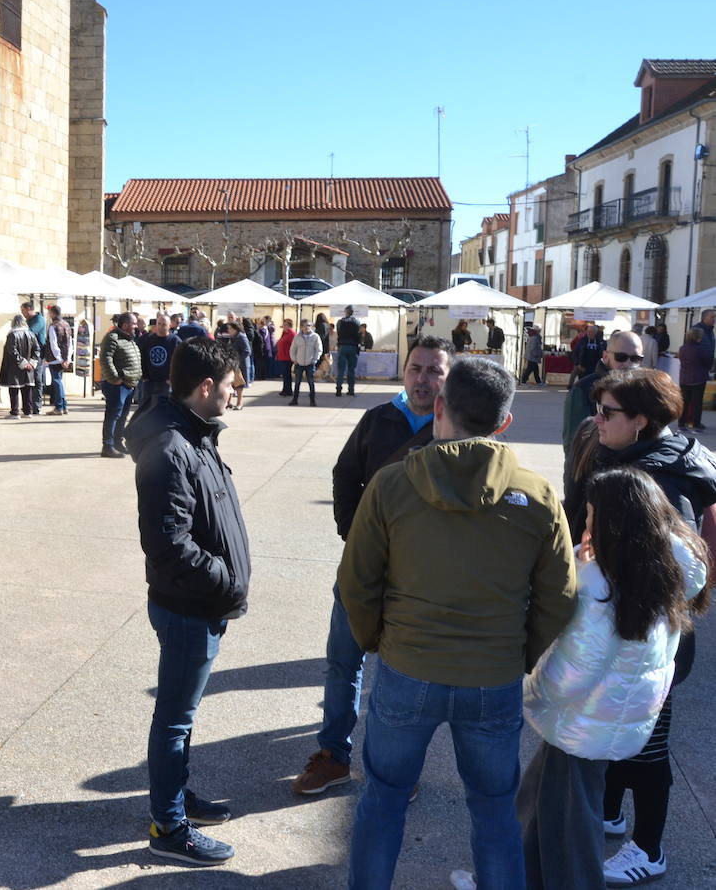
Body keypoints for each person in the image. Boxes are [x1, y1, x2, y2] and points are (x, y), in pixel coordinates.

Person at [339, 357, 576, 889]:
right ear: (505, 422)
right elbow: (560, 597)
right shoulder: (538, 497)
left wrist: (379, 642)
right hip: (492, 678)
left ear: (439, 407)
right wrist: (518, 652)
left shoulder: (391, 485)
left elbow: (356, 582)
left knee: (383, 801)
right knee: (494, 812)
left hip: (407, 669)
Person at [517, 466, 708, 890]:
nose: (585, 524)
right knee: (539, 797)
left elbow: (569, 673)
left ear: (612, 524)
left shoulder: (598, 588)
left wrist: (527, 692)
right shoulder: (668, 568)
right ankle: (513, 874)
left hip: (583, 719)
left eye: (590, 516)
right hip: (616, 716)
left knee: (573, 822)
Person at [565, 369, 716, 886]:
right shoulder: (632, 456)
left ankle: (649, 849)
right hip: (628, 634)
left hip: (644, 642)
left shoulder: (656, 481)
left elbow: (677, 569)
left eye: (608, 413)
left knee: (646, 744)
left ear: (641, 421)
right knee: (616, 734)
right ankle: (608, 811)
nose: (597, 420)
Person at [292, 336, 453, 796]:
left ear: (448, 378)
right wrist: (352, 531)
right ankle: (332, 756)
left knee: (404, 673)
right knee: (343, 664)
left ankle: (396, 765)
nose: (422, 379)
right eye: (416, 368)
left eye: (433, 371)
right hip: (360, 568)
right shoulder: (376, 420)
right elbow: (345, 476)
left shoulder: (455, 430)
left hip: (419, 578)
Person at [126, 338, 249, 866]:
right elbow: (168, 542)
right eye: (229, 387)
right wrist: (225, 580)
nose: (233, 395)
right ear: (204, 388)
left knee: (183, 712)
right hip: (189, 608)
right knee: (174, 718)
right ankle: (168, 826)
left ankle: (176, 796)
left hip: (198, 603)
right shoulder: (172, 447)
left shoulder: (192, 435)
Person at [563, 331, 643, 465]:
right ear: (606, 357)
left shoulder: (643, 389)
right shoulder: (582, 389)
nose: (629, 364)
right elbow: (573, 446)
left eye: (636, 359)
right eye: (621, 357)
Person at [99, 312, 142, 458]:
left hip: (129, 383)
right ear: (125, 325)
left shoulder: (129, 338)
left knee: (122, 415)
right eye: (134, 323)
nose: (136, 326)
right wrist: (114, 378)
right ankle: (108, 445)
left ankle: (117, 442)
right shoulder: (113, 337)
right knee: (113, 415)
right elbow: (105, 359)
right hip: (117, 385)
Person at [137, 311, 179, 414]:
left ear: (169, 326)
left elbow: (180, 362)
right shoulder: (147, 339)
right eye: (159, 324)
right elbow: (141, 358)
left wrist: (172, 378)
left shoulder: (175, 341)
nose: (161, 327)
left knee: (164, 413)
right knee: (144, 411)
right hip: (149, 382)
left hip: (165, 383)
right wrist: (144, 376)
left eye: (164, 324)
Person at [0, 314, 40, 419]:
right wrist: (31, 363)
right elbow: (37, 349)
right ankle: (28, 411)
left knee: (14, 390)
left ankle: (15, 412)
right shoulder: (31, 334)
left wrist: (22, 362)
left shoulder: (12, 334)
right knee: (27, 389)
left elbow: (12, 351)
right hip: (28, 367)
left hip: (14, 367)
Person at [45, 305, 73, 415]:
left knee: (57, 382)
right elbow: (70, 343)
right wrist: (68, 358)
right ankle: (64, 406)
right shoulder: (66, 325)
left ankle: (59, 407)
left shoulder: (53, 326)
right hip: (64, 358)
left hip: (56, 359)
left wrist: (60, 359)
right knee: (59, 382)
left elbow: (53, 344)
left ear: (52, 313)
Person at [21, 301, 48, 414]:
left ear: (28, 309)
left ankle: (36, 406)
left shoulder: (39, 320)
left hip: (38, 354)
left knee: (37, 379)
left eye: (23, 310)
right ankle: (29, 405)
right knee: (28, 379)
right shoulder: (28, 320)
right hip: (29, 353)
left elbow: (30, 332)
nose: (22, 313)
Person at [678, 328, 707, 432]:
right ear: (698, 337)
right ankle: (696, 424)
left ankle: (681, 423)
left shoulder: (682, 348)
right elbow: (707, 362)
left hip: (684, 378)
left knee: (685, 402)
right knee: (697, 403)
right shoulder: (701, 349)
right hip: (698, 378)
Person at [288, 318, 322, 407]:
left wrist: (315, 359)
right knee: (297, 382)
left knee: (311, 382)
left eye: (309, 325)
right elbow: (293, 349)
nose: (307, 327)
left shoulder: (315, 337)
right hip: (299, 363)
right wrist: (294, 359)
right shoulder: (297, 337)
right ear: (301, 327)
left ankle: (312, 400)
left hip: (310, 363)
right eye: (305, 326)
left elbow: (319, 349)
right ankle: (295, 399)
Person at [217, 322, 250, 410]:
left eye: (230, 328)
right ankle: (228, 402)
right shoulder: (232, 337)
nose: (228, 330)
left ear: (235, 329)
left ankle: (239, 403)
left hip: (240, 365)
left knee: (239, 385)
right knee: (230, 383)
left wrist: (237, 360)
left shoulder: (241, 337)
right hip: (232, 363)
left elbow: (247, 351)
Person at [335, 306, 361, 398]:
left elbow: (338, 333)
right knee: (351, 370)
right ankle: (351, 389)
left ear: (346, 312)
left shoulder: (340, 322)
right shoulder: (357, 322)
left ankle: (338, 388)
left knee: (341, 369)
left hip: (342, 346)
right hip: (353, 346)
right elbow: (359, 334)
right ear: (353, 312)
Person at [275, 318, 295, 394]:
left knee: (287, 374)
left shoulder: (291, 334)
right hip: (283, 356)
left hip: (287, 357)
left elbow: (294, 346)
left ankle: (288, 390)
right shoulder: (285, 333)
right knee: (285, 374)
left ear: (288, 325)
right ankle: (285, 389)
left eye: (285, 324)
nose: (283, 326)